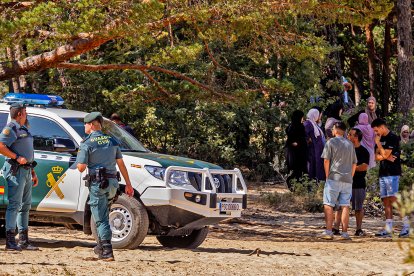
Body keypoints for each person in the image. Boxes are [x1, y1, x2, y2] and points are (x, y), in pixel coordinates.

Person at [76, 112, 135, 260]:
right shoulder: (112, 140)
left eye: (85, 124)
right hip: (113, 184)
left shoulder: (87, 143)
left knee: (101, 219)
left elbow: (81, 167)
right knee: (104, 214)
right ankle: (100, 246)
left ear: (91, 125)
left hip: (98, 184)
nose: (84, 126)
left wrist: (81, 156)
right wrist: (128, 184)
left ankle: (107, 251)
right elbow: (121, 164)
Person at [0, 103, 39, 251]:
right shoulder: (11, 128)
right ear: (20, 114)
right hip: (16, 171)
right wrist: (16, 157)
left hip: (27, 170)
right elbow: (1, 146)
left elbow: (28, 152)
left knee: (26, 206)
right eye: (25, 112)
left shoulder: (24, 129)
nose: (27, 114)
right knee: (15, 205)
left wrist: (33, 172)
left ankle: (24, 240)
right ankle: (10, 242)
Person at [371, 118, 409, 237]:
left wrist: (379, 146)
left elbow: (383, 154)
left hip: (392, 173)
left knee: (394, 199)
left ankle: (407, 226)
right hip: (383, 172)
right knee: (386, 200)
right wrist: (385, 155)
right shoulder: (380, 138)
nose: (376, 133)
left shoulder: (392, 137)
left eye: (376, 130)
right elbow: (376, 157)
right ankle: (388, 228)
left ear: (382, 127)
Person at [320, 121, 357, 240]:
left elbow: (326, 160)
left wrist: (327, 176)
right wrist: (350, 176)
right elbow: (354, 163)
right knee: (345, 205)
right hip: (347, 179)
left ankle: (329, 231)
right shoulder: (350, 144)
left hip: (333, 177)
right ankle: (345, 233)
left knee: (328, 204)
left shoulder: (330, 142)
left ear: (335, 130)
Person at [285, 110, 307, 188]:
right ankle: (296, 185)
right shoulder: (299, 126)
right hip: (298, 152)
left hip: (293, 152)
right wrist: (296, 143)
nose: (303, 119)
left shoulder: (291, 125)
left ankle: (296, 185)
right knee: (298, 169)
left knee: (296, 169)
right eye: (301, 117)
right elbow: (293, 139)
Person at [303, 108, 326, 181]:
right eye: (318, 115)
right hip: (312, 150)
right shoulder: (307, 123)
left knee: (318, 166)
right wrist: (309, 140)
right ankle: (312, 184)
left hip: (318, 150)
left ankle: (318, 182)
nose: (319, 116)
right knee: (313, 166)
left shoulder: (314, 124)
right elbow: (304, 135)